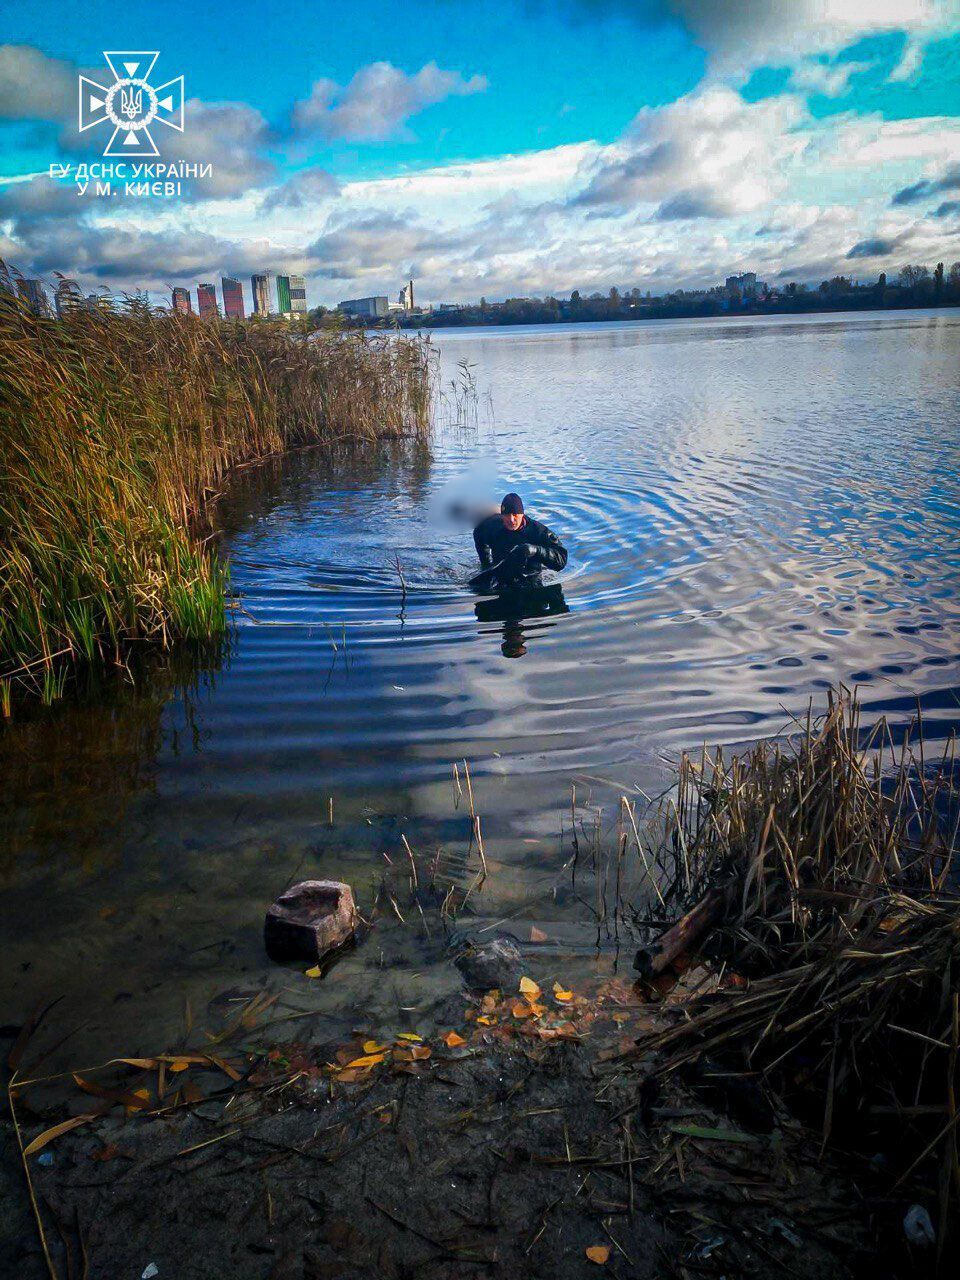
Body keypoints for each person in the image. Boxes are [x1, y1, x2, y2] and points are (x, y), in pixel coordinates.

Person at [472, 492, 567, 588]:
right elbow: (478, 532)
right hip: (502, 576)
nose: (511, 520)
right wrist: (485, 563)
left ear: (522, 514)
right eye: (507, 515)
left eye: (515, 515)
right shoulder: (492, 526)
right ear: (502, 515)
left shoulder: (538, 531)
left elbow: (562, 561)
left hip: (530, 579)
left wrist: (535, 550)